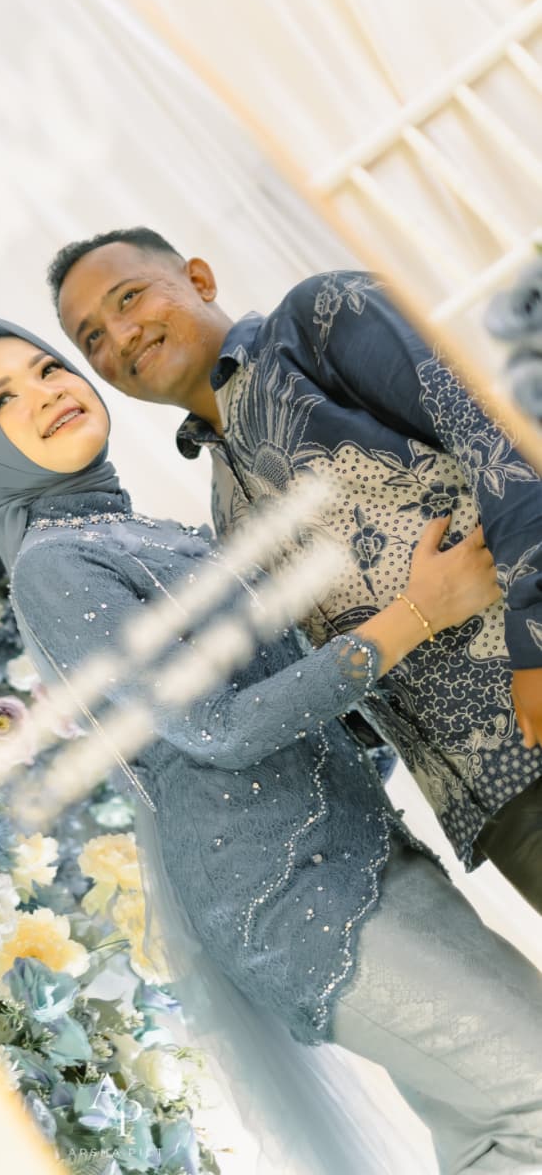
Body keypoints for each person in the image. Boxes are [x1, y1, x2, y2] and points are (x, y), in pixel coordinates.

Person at [0, 317, 542, 1174]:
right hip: (293, 899)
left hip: (365, 852)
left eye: (47, 368)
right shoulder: (52, 566)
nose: (46, 393)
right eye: (4, 400)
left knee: (492, 1133)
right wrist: (417, 613)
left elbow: (290, 699)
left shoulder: (151, 534)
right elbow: (211, 727)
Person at [48, 228, 542, 912]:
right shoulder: (225, 510)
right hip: (493, 810)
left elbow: (496, 435)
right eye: (93, 338)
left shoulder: (319, 321)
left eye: (128, 298)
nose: (120, 336)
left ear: (199, 278)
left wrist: (535, 645)